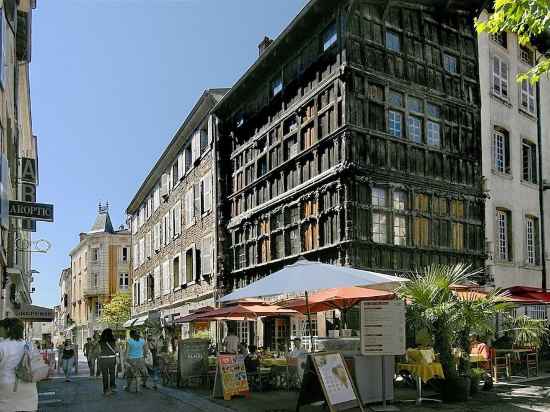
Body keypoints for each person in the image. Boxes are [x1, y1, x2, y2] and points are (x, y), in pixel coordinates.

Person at [0, 318, 39, 412]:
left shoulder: (2, 346)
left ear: (8, 329)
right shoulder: (29, 345)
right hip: (29, 386)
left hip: (7, 387)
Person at [98, 329, 118, 396]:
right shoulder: (113, 341)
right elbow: (116, 350)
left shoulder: (100, 342)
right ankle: (112, 387)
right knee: (112, 373)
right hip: (112, 358)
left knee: (105, 375)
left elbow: (99, 351)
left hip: (103, 359)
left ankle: (106, 390)